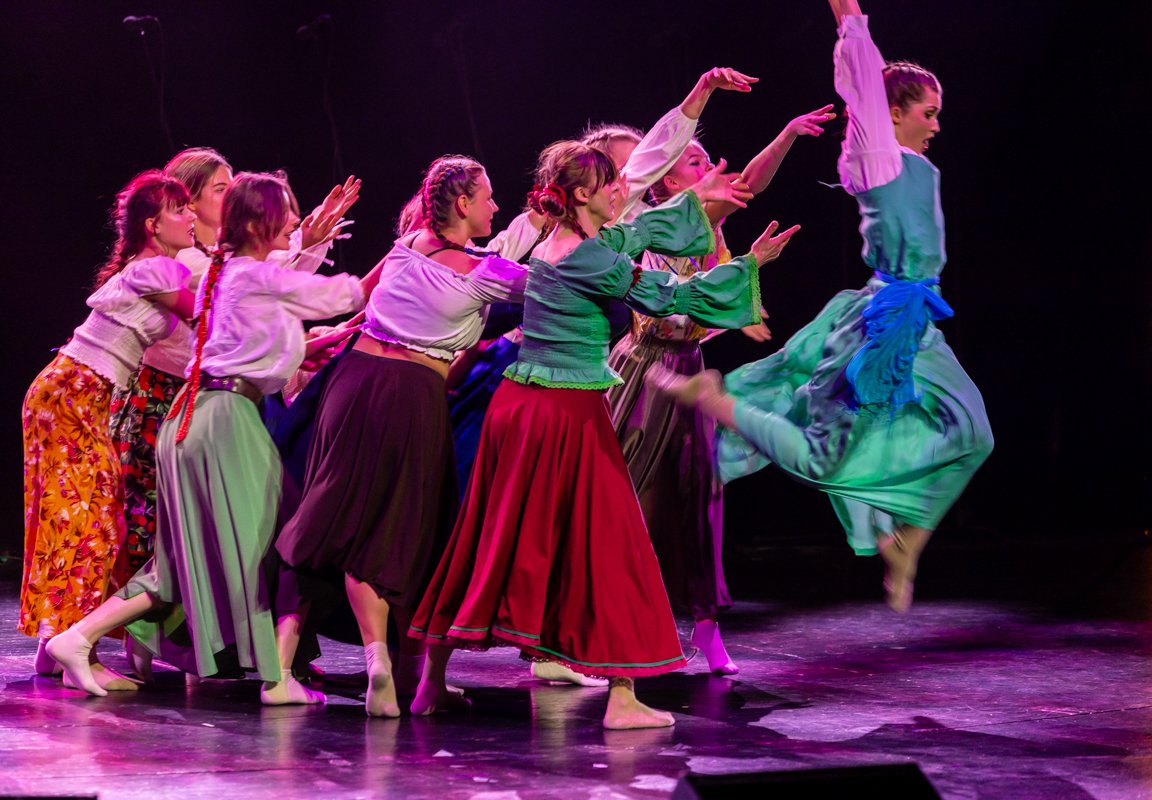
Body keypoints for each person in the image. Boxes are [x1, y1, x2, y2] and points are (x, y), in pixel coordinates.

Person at [408, 139, 798, 729]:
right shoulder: (588, 258)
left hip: (524, 406)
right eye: (611, 182)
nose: (622, 189)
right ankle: (621, 699)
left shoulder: (565, 241)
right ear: (582, 193)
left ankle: (430, 683)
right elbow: (670, 296)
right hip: (563, 411)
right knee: (614, 543)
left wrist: (699, 202)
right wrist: (749, 267)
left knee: (491, 539)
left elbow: (630, 235)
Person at [654, 0, 993, 613]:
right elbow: (863, 77)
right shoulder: (877, 158)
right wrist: (849, 14)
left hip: (918, 321)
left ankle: (905, 543)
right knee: (823, 457)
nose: (937, 125)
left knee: (974, 435)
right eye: (929, 112)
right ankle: (718, 402)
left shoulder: (913, 165)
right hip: (882, 323)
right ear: (893, 114)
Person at [48, 172, 366, 699]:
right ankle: (277, 677)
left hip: (199, 414)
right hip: (223, 419)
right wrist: (415, 257)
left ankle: (78, 637)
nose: (293, 220)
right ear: (260, 222)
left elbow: (252, 341)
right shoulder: (249, 274)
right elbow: (347, 293)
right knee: (289, 541)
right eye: (286, 211)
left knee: (185, 560)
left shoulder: (229, 271)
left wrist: (304, 348)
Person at [272, 155, 527, 716]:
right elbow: (555, 281)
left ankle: (297, 669)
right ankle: (387, 664)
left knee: (331, 516)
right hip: (411, 393)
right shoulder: (483, 271)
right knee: (401, 529)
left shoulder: (407, 244)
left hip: (352, 380)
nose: (495, 205)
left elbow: (358, 301)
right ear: (463, 203)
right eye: (487, 196)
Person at [606, 104, 834, 675]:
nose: (709, 165)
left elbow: (750, 182)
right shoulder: (654, 224)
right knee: (628, 494)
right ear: (667, 182)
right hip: (644, 370)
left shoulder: (712, 223)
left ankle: (706, 627)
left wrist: (786, 133)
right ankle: (607, 621)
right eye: (694, 160)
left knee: (699, 495)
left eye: (706, 157)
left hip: (689, 370)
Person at [21, 171, 195, 686]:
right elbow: (208, 314)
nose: (189, 217)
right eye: (179, 209)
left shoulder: (156, 267)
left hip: (77, 395)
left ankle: (55, 646)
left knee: (86, 516)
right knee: (91, 519)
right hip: (72, 393)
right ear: (152, 224)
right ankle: (79, 652)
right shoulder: (156, 268)